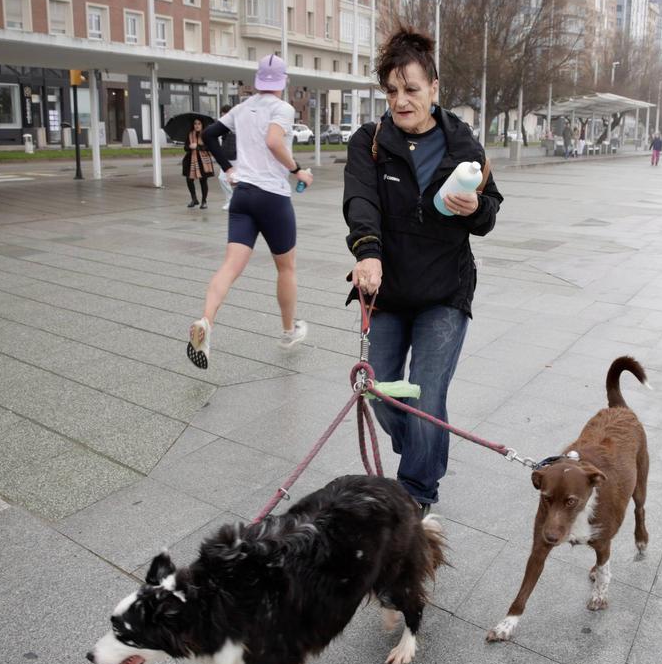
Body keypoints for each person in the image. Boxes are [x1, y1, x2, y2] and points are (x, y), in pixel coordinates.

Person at [343, 26, 503, 513]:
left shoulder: (465, 147)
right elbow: (360, 200)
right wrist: (367, 251)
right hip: (386, 292)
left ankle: (417, 494)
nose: (401, 100)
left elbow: (489, 215)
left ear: (434, 89)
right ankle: (420, 446)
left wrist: (474, 206)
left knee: (427, 396)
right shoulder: (369, 142)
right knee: (380, 395)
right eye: (392, 91)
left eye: (411, 89)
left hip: (443, 294)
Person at [186, 55, 315, 369]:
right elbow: (274, 141)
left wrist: (229, 168)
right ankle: (288, 331)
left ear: (258, 81)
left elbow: (208, 136)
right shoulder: (282, 109)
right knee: (286, 268)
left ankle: (206, 321)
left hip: (242, 194)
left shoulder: (241, 108)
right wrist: (298, 170)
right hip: (272, 197)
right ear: (282, 82)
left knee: (230, 266)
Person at [183, 118, 215, 209]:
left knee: (203, 181)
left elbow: (209, 147)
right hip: (191, 160)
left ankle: (204, 201)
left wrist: (198, 146)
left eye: (199, 124)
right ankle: (194, 199)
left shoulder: (206, 135)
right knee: (189, 180)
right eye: (195, 123)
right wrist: (190, 147)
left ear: (202, 125)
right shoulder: (190, 134)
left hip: (203, 161)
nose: (197, 125)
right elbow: (185, 148)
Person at [214, 103, 237, 210]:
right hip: (226, 158)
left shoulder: (237, 125)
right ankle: (230, 200)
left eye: (225, 115)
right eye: (222, 115)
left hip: (237, 158)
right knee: (222, 178)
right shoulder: (221, 128)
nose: (224, 118)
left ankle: (237, 201)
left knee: (237, 181)